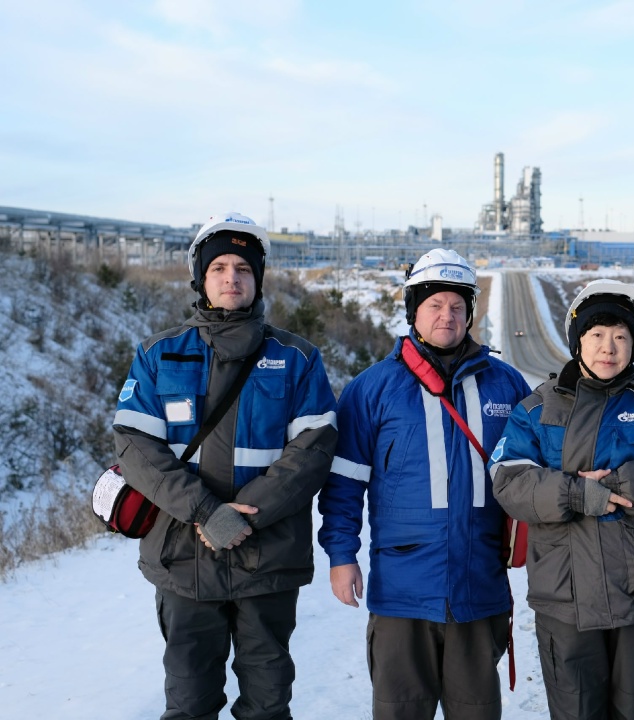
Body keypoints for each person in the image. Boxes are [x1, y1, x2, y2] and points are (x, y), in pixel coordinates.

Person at [112, 211, 339, 720]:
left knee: (266, 704)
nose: (231, 277)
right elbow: (134, 447)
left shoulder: (298, 358)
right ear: (201, 277)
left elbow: (314, 451)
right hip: (183, 560)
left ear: (257, 278)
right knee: (190, 703)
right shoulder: (159, 354)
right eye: (219, 268)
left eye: (242, 267)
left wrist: (245, 514)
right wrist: (205, 511)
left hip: (268, 561)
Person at [318, 248, 531, 720]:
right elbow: (344, 485)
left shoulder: (507, 386)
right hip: (402, 593)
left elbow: (534, 475)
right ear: (414, 310)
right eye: (434, 305)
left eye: (457, 306)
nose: (447, 316)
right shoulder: (373, 388)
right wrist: (340, 556)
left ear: (470, 312)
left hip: (480, 591)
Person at [489, 279, 634, 720]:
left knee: (633, 711)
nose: (607, 347)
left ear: (633, 344)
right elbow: (507, 477)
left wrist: (610, 488)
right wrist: (575, 492)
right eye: (595, 335)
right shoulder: (537, 408)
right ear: (577, 341)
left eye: (620, 336)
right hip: (564, 595)